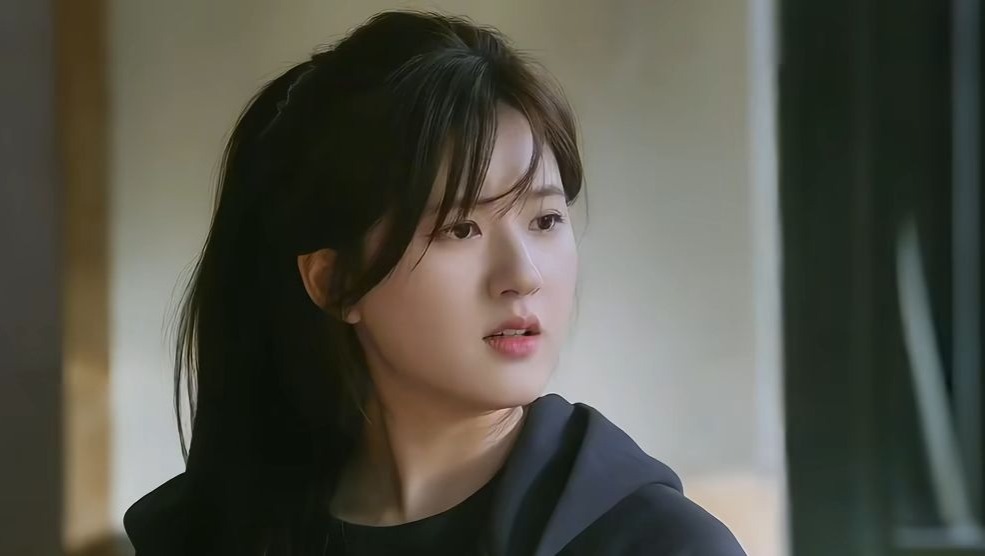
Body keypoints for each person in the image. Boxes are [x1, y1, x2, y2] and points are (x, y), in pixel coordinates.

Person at [123, 10, 747, 556]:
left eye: (546, 220)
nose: (523, 275)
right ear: (336, 281)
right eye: (460, 228)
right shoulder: (216, 537)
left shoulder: (658, 544)